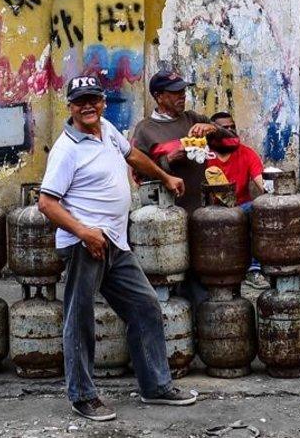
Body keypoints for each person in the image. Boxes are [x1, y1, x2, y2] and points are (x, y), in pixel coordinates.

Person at [38, 75, 197, 422]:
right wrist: (84, 232)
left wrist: (165, 176)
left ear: (103, 102)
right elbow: (47, 204)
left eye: (93, 99)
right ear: (71, 107)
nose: (88, 106)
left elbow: (133, 155)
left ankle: (155, 385)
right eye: (81, 101)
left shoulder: (106, 128)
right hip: (86, 244)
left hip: (114, 241)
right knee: (79, 318)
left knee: (145, 307)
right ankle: (82, 394)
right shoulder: (67, 149)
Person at [130, 70, 234, 215]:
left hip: (203, 211)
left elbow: (233, 143)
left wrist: (212, 128)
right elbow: (138, 177)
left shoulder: (193, 119)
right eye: (175, 92)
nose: (183, 95)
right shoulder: (145, 130)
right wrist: (167, 160)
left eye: (183, 90)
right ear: (159, 97)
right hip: (167, 215)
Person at [205, 111, 269, 290]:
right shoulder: (202, 155)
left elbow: (261, 183)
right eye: (224, 129)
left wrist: (273, 195)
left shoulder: (246, 153)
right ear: (211, 132)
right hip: (210, 211)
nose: (230, 131)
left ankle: (254, 270)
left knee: (259, 208)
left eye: (233, 127)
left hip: (241, 208)